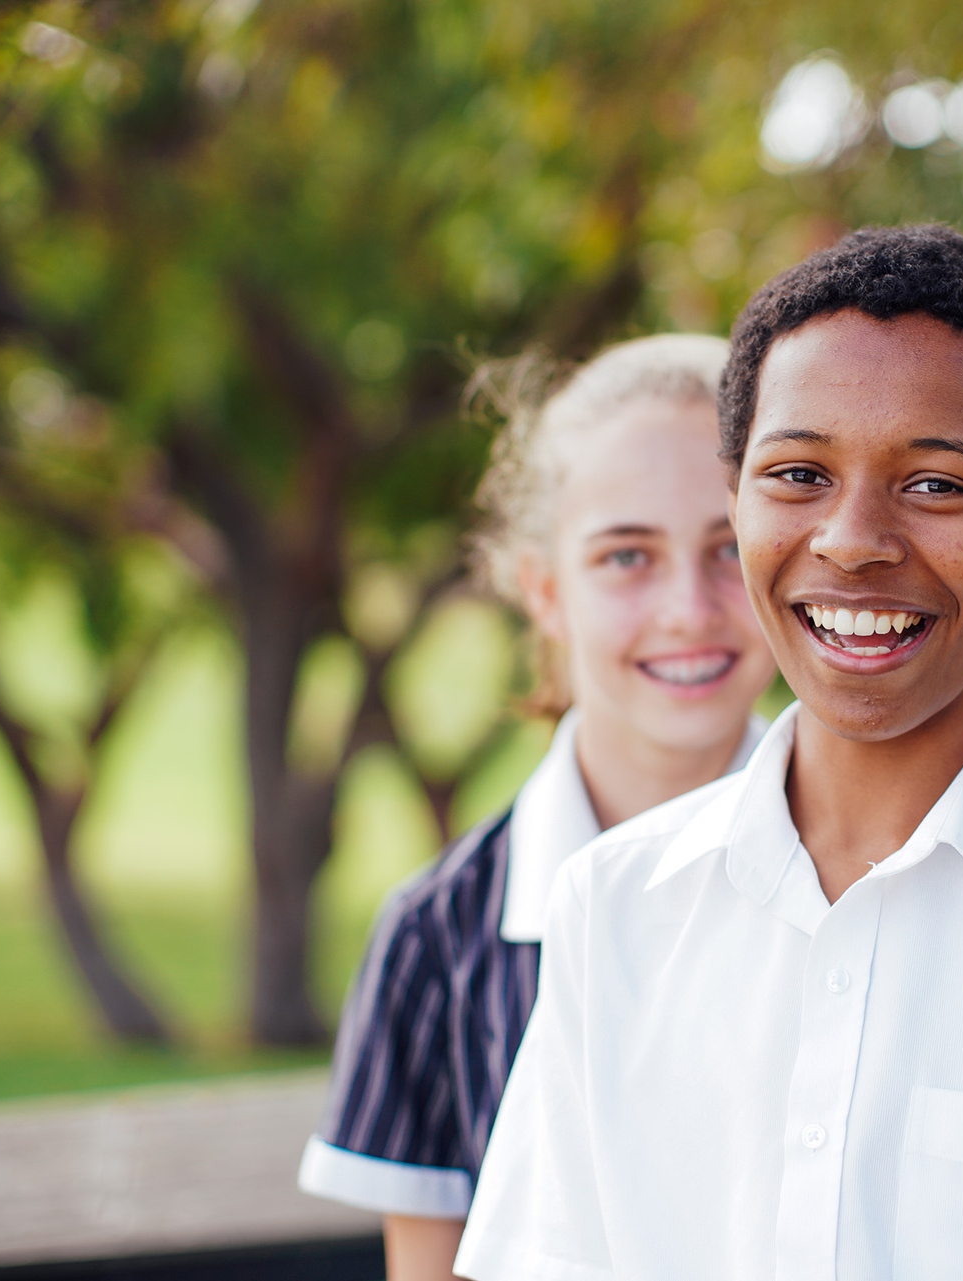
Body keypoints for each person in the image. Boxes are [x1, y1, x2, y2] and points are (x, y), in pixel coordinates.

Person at [454, 224, 963, 1281]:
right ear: (735, 493)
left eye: (938, 484)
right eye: (798, 473)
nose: (852, 540)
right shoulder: (616, 906)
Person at [296, 334, 777, 1281]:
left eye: (730, 546)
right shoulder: (438, 938)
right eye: (627, 555)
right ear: (545, 591)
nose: (688, 606)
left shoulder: (883, 875)